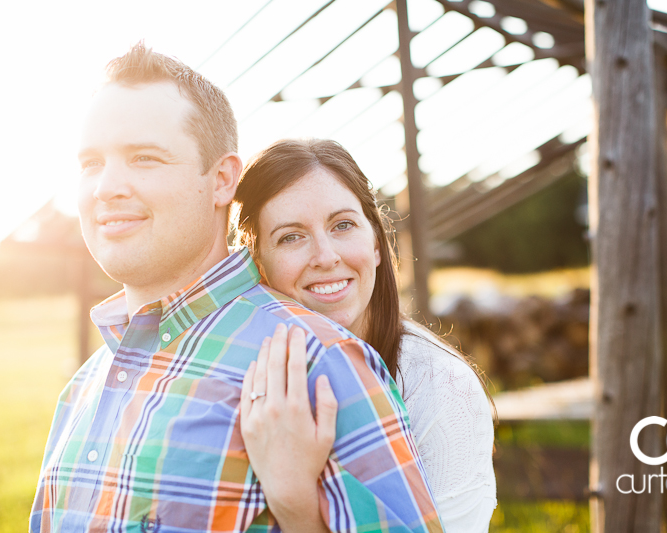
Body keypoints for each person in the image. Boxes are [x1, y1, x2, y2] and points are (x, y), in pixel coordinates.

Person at [29, 43, 443, 533]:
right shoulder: (83, 389)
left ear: (223, 179)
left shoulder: (319, 363)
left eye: (144, 158)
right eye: (90, 163)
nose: (106, 187)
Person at [232, 139, 497, 533]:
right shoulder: (245, 372)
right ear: (259, 265)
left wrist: (295, 502)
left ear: (376, 242)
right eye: (291, 236)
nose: (325, 256)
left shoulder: (439, 388)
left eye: (342, 225)